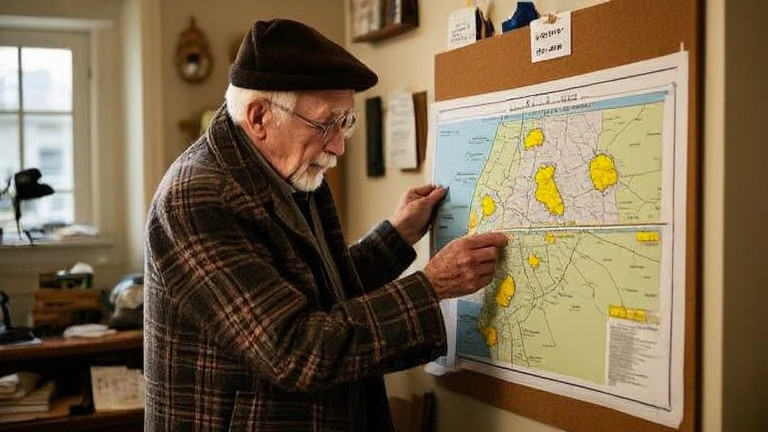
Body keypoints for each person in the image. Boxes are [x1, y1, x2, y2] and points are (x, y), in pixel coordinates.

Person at [144, 18, 508, 432]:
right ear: (260, 116)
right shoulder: (197, 197)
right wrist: (432, 285)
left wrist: (396, 235)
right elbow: (296, 349)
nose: (337, 145)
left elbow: (319, 293)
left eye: (346, 123)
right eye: (325, 124)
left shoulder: (288, 166)